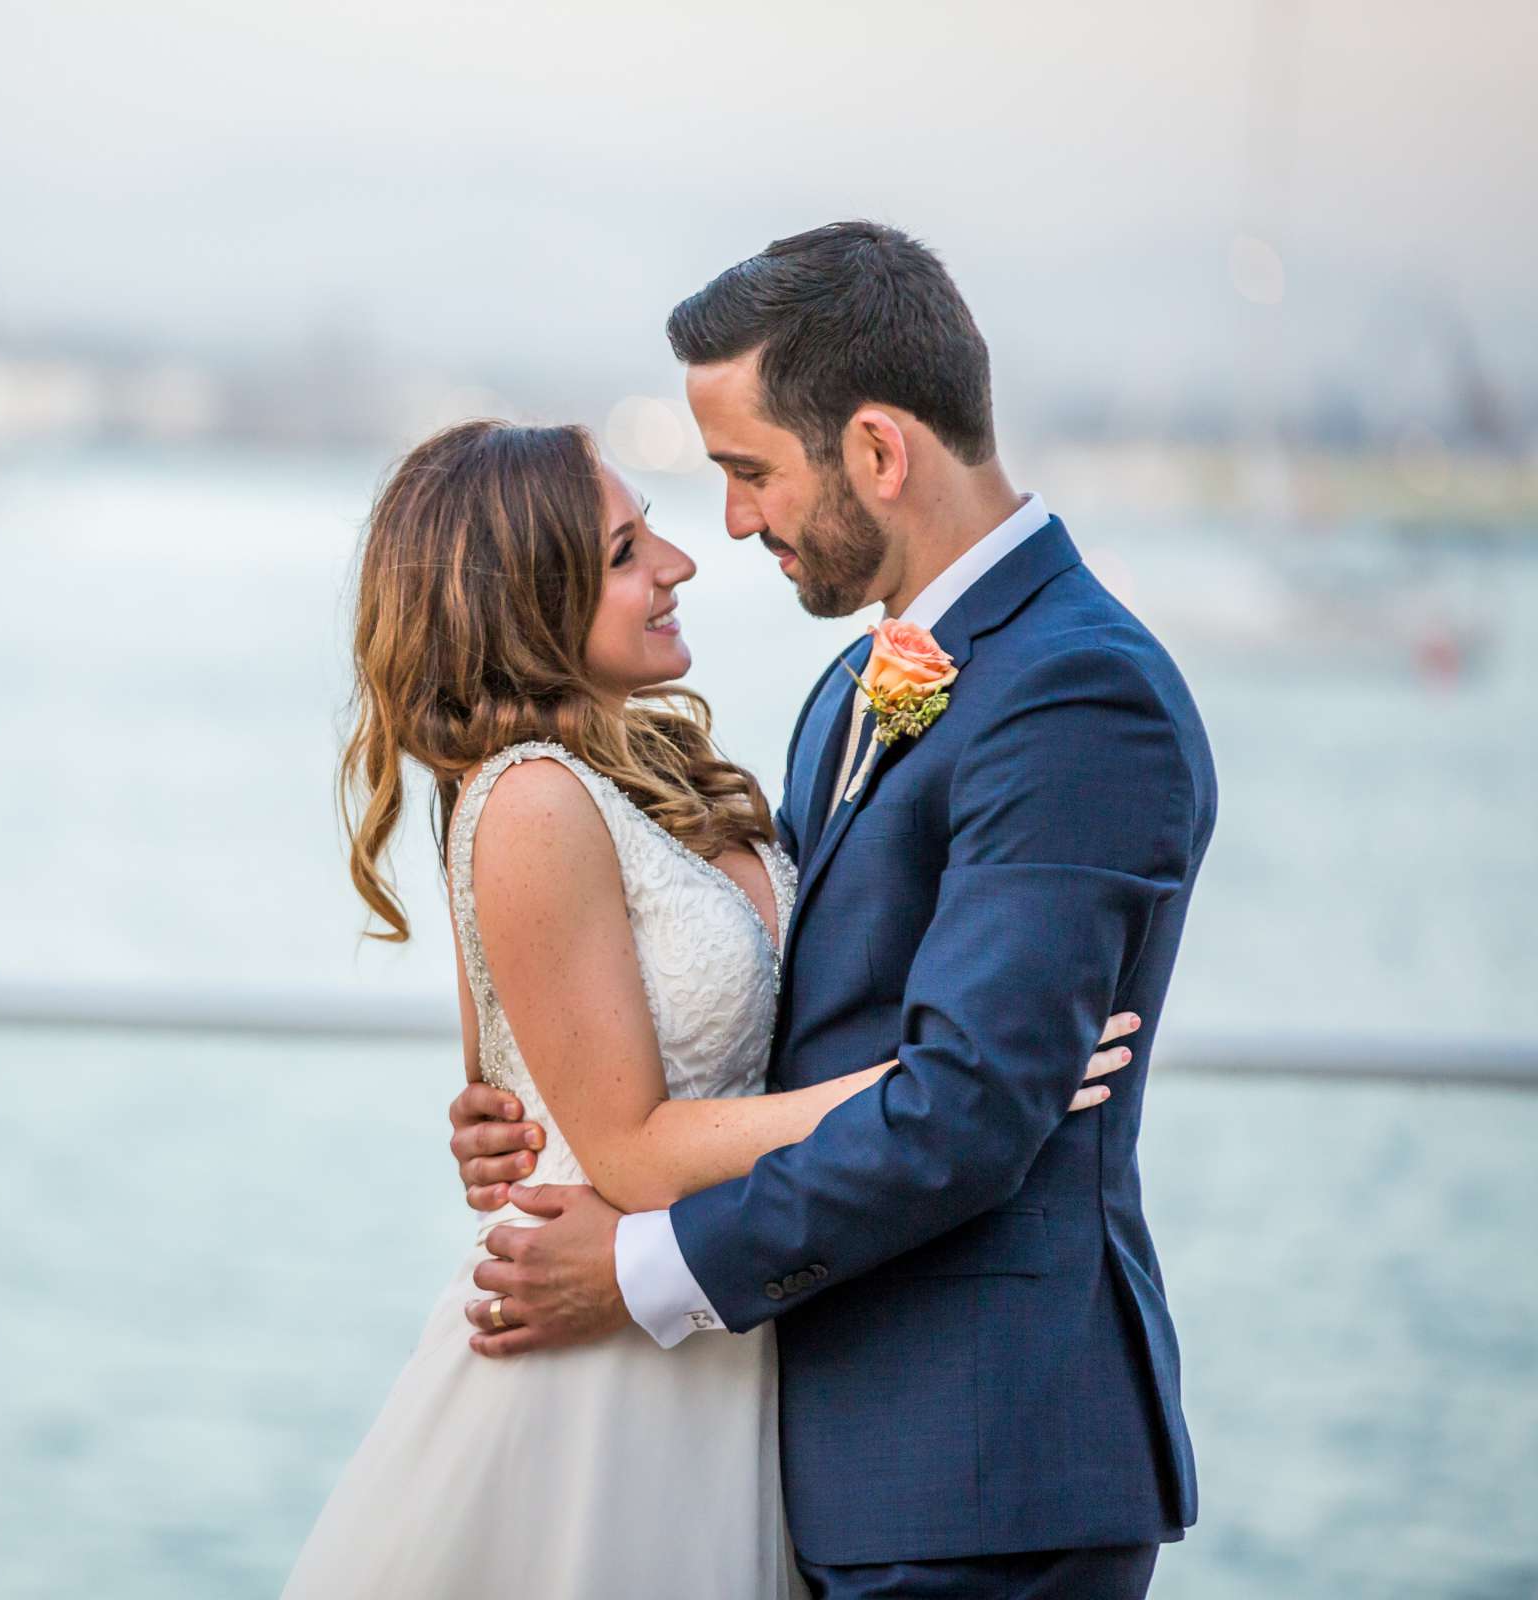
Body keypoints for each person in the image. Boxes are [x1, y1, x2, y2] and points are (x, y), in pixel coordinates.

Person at [443, 222, 1215, 1599]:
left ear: (876, 451)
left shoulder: (1074, 692)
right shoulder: (854, 686)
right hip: (822, 1451)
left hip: (983, 1475)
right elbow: (791, 1008)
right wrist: (552, 1105)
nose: (732, 523)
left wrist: (638, 1268)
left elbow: (968, 1112)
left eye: (749, 472)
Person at [282, 412, 1132, 1598]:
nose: (680, 561)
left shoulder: (664, 773)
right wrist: (922, 1091)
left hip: (723, 1349)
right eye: (628, 551)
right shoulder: (527, 800)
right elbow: (619, 1143)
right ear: (530, 599)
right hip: (596, 1382)